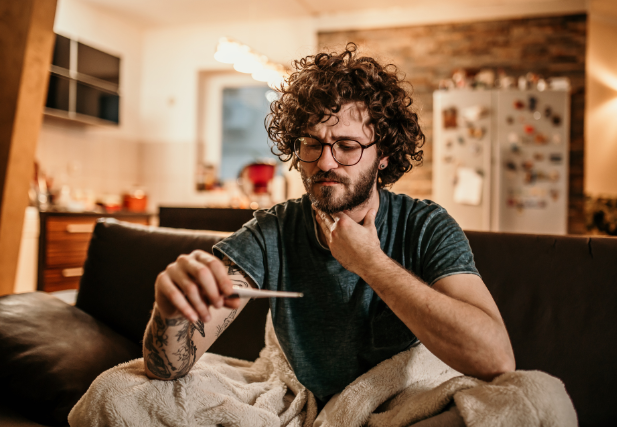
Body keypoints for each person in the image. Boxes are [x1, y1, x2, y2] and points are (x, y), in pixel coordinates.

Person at [142, 43, 515, 408]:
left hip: (406, 406)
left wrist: (370, 262)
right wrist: (169, 310)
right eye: (312, 144)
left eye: (347, 146)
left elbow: (496, 359)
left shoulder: (425, 226)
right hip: (299, 403)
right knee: (118, 391)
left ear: (382, 154)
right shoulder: (273, 230)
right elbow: (168, 368)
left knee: (533, 397)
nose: (324, 163)